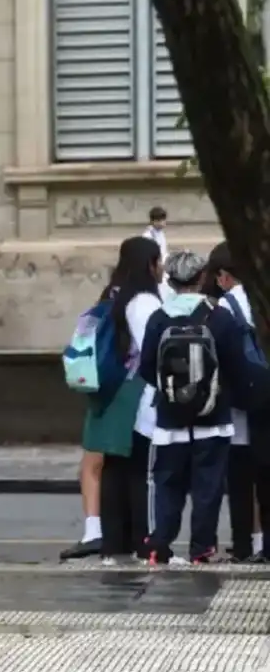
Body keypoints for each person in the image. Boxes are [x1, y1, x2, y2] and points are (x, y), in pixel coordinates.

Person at [139, 250, 270, 564]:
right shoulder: (218, 317)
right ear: (201, 278)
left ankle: (161, 543)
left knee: (168, 483)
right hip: (214, 417)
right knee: (207, 487)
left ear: (169, 280)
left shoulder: (158, 318)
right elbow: (236, 367)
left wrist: (172, 392)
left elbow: (146, 367)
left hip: (170, 421)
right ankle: (201, 549)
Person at [84, 236, 162, 565]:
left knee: (115, 467)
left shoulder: (114, 296)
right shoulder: (144, 303)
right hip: (136, 395)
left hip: (111, 391)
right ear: (150, 264)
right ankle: (142, 540)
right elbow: (154, 350)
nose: (162, 269)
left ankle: (114, 543)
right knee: (137, 470)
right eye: (158, 262)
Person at [209, 242, 270, 561]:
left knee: (240, 481)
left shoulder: (228, 305)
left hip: (240, 404)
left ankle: (243, 545)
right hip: (266, 395)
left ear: (223, 276)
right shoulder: (261, 298)